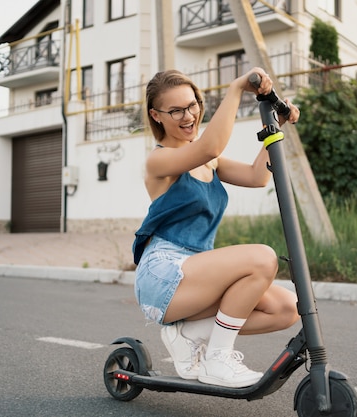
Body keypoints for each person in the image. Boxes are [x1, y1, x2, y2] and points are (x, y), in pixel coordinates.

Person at [132, 67, 300, 388]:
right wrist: (237, 87)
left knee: (286, 308)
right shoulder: (159, 161)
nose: (188, 115)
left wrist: (273, 126)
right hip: (164, 274)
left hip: (198, 272)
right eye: (176, 110)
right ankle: (217, 359)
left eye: (193, 104)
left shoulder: (212, 162)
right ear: (156, 116)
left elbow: (257, 176)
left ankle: (190, 335)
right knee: (263, 258)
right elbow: (210, 146)